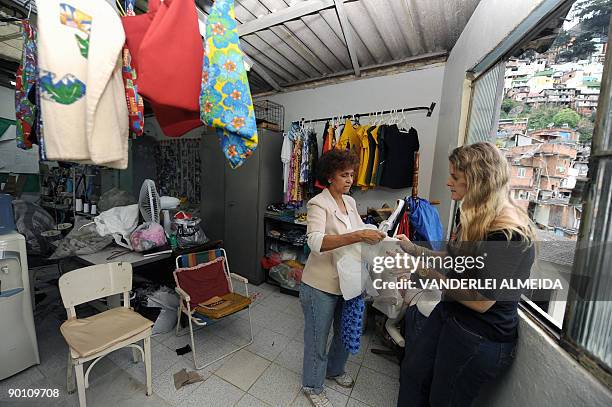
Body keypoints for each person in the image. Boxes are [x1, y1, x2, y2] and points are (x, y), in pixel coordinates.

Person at [396, 142, 536, 407]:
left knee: (443, 401)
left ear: (478, 181)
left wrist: (423, 272)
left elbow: (481, 300)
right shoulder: (473, 215)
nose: (448, 182)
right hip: (452, 315)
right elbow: (452, 258)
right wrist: (413, 249)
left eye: (455, 177)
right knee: (413, 374)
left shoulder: (508, 232)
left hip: (478, 335)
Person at [300, 149, 386, 407]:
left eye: (351, 174)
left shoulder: (349, 203)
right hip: (320, 284)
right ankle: (313, 386)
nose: (350, 180)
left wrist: (377, 233)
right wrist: (359, 237)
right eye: (343, 175)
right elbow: (314, 242)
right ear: (329, 177)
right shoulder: (318, 204)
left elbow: (358, 229)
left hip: (348, 281)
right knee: (317, 338)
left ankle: (335, 371)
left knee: (344, 332)